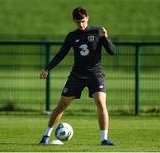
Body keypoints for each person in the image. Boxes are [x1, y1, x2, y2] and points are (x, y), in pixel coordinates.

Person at [39, 6, 116, 146]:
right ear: (74, 21)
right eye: (77, 22)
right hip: (77, 75)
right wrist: (47, 68)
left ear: (87, 18)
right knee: (62, 105)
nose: (80, 25)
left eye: (82, 21)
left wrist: (106, 37)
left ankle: (104, 139)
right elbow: (61, 54)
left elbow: (112, 52)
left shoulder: (97, 32)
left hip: (95, 74)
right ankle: (45, 137)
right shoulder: (72, 36)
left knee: (100, 102)